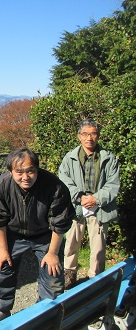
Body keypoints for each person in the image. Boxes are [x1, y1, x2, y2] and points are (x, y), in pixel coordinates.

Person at [0, 148, 74, 321]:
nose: (25, 177)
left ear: (37, 170)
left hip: (45, 234)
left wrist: (53, 253)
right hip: (14, 233)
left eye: (30, 171)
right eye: (19, 172)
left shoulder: (54, 186)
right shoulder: (2, 185)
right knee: (3, 266)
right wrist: (3, 249)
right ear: (11, 172)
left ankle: (46, 310)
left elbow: (60, 222)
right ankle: (1, 309)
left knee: (52, 271)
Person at [58, 119, 120, 289]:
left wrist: (96, 198)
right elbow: (64, 180)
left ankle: (95, 281)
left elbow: (113, 185)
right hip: (76, 207)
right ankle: (69, 277)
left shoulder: (108, 158)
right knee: (70, 243)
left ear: (98, 136)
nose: (89, 138)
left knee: (98, 248)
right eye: (85, 134)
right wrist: (79, 197)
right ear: (79, 136)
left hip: (99, 208)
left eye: (93, 133)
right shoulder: (70, 158)